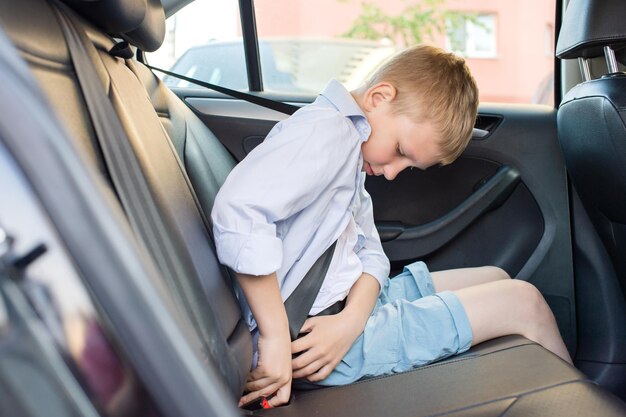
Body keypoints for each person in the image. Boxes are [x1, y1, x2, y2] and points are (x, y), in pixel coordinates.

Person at [211, 44, 572, 408]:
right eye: (400, 150)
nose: (394, 172)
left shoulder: (350, 145)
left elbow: (372, 252)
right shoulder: (327, 133)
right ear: (379, 97)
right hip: (307, 336)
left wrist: (352, 318)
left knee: (496, 276)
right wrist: (274, 337)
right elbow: (240, 211)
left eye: (409, 165)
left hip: (343, 314)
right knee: (526, 303)